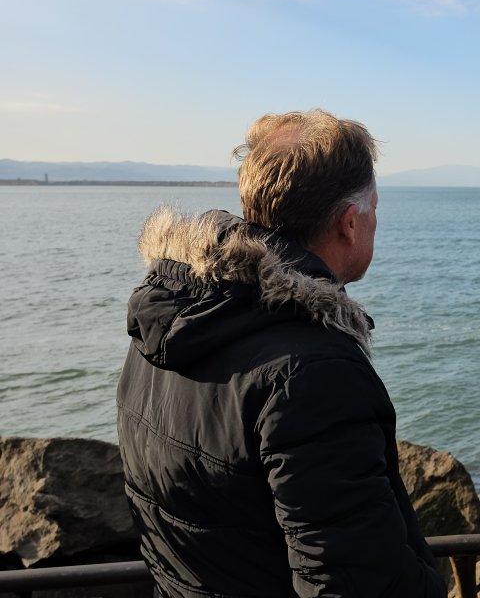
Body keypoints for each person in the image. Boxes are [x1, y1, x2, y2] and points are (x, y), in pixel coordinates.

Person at [115, 109, 448, 597]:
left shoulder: (162, 323)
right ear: (350, 223)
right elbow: (355, 581)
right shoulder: (313, 374)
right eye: (375, 206)